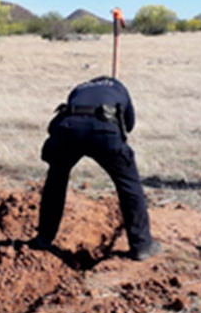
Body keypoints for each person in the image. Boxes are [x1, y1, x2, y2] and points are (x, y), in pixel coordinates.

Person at [29, 76, 161, 260]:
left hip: (68, 130)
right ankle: (141, 246)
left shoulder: (79, 88)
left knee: (56, 179)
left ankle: (43, 239)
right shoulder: (119, 87)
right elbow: (129, 125)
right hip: (103, 132)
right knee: (129, 185)